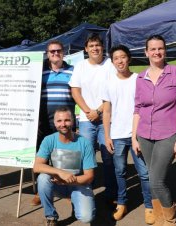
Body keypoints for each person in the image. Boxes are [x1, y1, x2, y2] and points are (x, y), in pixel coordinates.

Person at [132, 35, 176, 226]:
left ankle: (170, 220)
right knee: (152, 179)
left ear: (165, 50)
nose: (157, 52)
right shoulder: (141, 77)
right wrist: (134, 137)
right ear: (146, 52)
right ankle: (159, 218)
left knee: (157, 181)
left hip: (169, 133)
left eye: (160, 48)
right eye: (153, 49)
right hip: (144, 135)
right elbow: (138, 109)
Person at [101, 45, 154, 224]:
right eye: (116, 58)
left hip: (137, 135)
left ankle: (149, 206)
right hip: (116, 135)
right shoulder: (108, 82)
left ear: (129, 59)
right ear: (112, 61)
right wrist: (107, 136)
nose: (120, 61)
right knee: (120, 171)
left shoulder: (138, 79)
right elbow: (106, 112)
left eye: (123, 57)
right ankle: (122, 203)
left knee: (144, 173)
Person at [69, 33, 118, 205]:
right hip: (85, 119)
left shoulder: (110, 64)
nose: (95, 48)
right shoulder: (80, 66)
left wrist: (98, 111)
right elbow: (75, 91)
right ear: (86, 49)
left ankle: (111, 193)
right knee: (85, 157)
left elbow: (114, 91)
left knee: (108, 157)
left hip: (106, 118)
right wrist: (88, 111)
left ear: (102, 47)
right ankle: (85, 192)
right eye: (91, 46)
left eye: (97, 45)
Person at [33, 106, 96, 226]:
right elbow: (37, 166)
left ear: (73, 121)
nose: (63, 124)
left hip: (78, 184)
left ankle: (76, 201)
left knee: (86, 217)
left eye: (67, 120)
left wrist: (67, 181)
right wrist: (61, 173)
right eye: (59, 121)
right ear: (55, 123)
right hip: (57, 184)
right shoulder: (49, 140)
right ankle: (51, 216)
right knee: (42, 178)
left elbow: (89, 176)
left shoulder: (84, 143)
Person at [31, 40, 75, 206]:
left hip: (66, 122)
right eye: (52, 51)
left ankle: (67, 189)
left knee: (65, 157)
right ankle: (40, 192)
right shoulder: (39, 72)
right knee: (42, 158)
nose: (55, 54)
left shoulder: (73, 71)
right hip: (43, 122)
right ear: (47, 54)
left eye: (58, 51)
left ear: (63, 52)